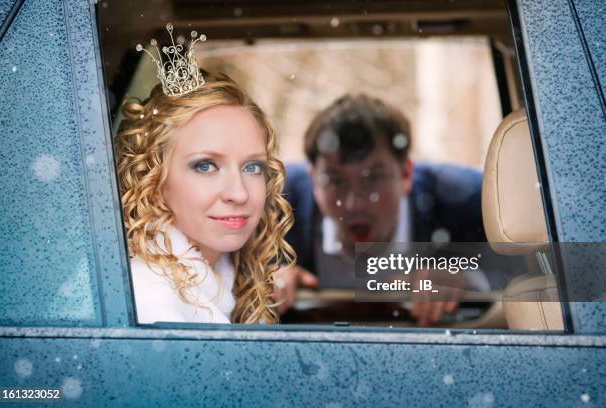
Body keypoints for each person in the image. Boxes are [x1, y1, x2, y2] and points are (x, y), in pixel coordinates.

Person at [115, 27, 294, 324]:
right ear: (154, 180)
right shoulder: (151, 303)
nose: (239, 193)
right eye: (205, 166)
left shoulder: (225, 279)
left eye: (252, 167)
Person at [276, 94, 495, 326]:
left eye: (373, 179)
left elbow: (527, 271)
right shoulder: (275, 204)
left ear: (406, 174)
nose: (354, 203)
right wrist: (268, 279)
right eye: (335, 181)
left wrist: (465, 277)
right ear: (313, 180)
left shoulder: (470, 199)